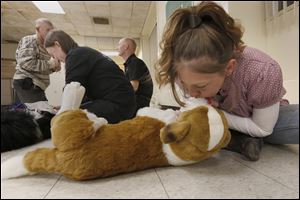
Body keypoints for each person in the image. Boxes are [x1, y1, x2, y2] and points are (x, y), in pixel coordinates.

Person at [156, 1, 299, 161]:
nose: (192, 94)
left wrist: (214, 114)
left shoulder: (263, 71)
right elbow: (189, 105)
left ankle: (238, 139)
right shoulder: (185, 71)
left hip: (261, 117)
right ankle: (242, 141)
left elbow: (262, 128)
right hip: (229, 117)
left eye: (200, 86)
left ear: (229, 68)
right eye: (183, 85)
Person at [44, 30, 136, 124]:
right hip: (124, 102)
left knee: (70, 118)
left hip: (118, 104)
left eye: (53, 54)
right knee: (74, 112)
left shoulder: (75, 55)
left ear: (57, 44)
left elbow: (72, 89)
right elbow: (81, 92)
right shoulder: (83, 52)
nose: (55, 59)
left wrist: (63, 110)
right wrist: (66, 105)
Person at [13, 18, 61, 103]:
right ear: (38, 29)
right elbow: (26, 63)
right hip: (28, 82)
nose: (50, 33)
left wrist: (54, 68)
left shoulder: (45, 47)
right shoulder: (30, 40)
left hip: (37, 85)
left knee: (43, 112)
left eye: (52, 31)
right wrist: (51, 64)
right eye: (48, 30)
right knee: (43, 113)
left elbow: (41, 68)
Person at [118, 38, 153, 113]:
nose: (117, 47)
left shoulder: (134, 62)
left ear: (126, 47)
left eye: (119, 44)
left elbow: (134, 87)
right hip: (136, 103)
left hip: (138, 104)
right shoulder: (131, 63)